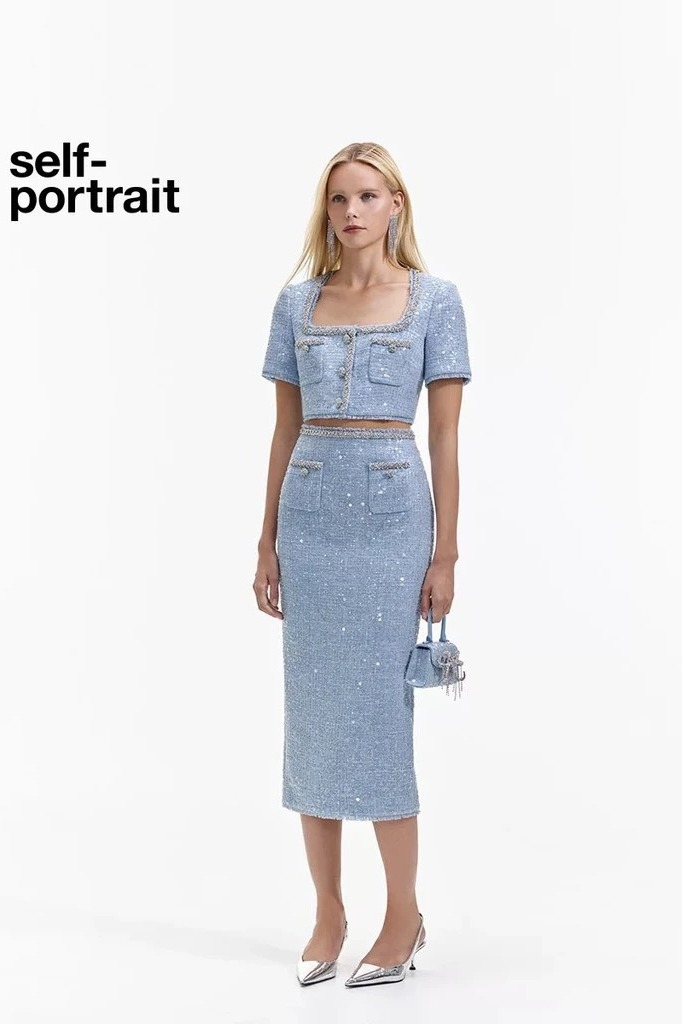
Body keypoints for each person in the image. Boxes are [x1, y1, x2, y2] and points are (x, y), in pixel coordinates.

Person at [253, 141, 472, 988]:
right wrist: (266, 541)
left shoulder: (435, 301)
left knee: (381, 719)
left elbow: (445, 434)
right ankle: (328, 913)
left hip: (392, 520)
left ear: (396, 206)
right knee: (311, 717)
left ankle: (403, 915)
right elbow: (284, 427)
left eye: (369, 196)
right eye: (339, 197)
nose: (352, 211)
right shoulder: (296, 303)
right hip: (309, 517)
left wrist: (445, 551)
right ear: (327, 210)